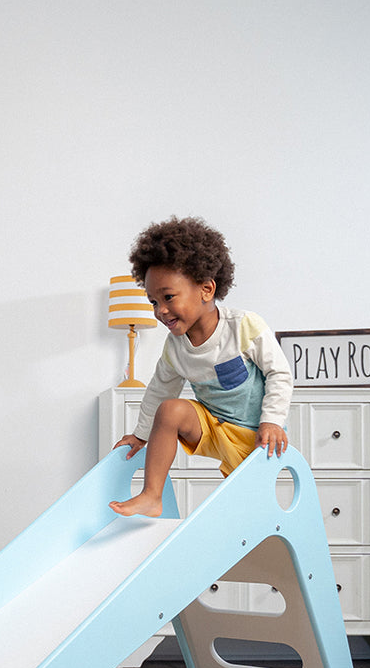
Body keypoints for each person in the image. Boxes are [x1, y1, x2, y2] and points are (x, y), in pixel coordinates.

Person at [109, 217, 292, 517]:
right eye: (153, 302)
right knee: (169, 409)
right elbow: (158, 390)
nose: (161, 311)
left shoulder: (243, 327)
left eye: (168, 297)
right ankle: (152, 496)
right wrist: (140, 435)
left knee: (249, 515)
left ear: (206, 289)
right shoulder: (175, 348)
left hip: (253, 435)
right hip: (212, 429)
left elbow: (279, 374)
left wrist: (271, 421)